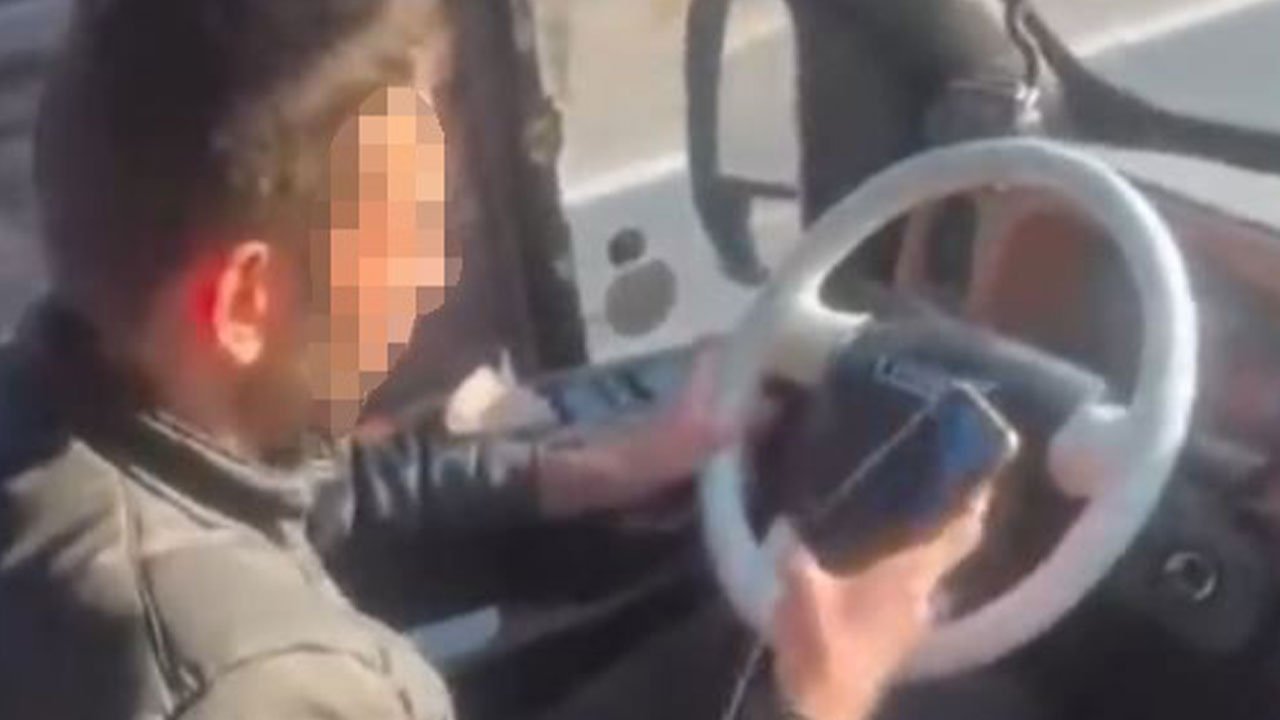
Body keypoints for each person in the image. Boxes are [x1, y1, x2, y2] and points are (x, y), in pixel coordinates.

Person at [0, 0, 987, 718]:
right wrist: (822, 692)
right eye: (408, 235)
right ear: (243, 304)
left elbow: (308, 497)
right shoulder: (255, 685)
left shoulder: (63, 413)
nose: (435, 279)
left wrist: (579, 473)